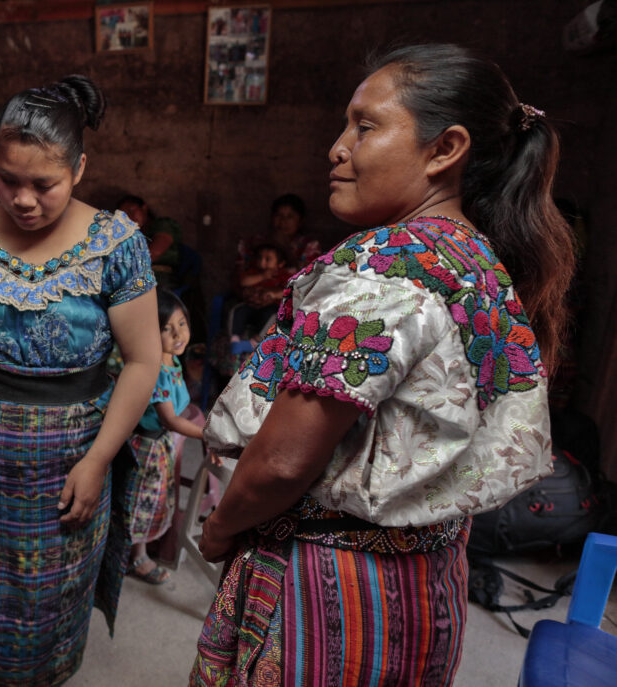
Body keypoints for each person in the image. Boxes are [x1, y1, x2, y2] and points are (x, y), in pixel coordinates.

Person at [190, 43, 574, 685]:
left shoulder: (382, 268)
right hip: (424, 575)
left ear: (445, 149)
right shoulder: (474, 259)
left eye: (365, 126)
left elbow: (284, 462)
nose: (337, 147)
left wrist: (222, 525)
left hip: (326, 583)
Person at [0, 75, 161, 686]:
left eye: (43, 184)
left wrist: (99, 460)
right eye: (8, 179)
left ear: (79, 168)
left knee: (49, 600)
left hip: (73, 457)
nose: (23, 198)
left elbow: (142, 361)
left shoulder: (117, 245)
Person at [125, 289, 206, 585]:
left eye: (181, 323)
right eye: (166, 328)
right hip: (148, 445)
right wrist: (207, 434)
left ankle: (139, 548)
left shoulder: (172, 359)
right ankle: (138, 556)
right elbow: (170, 420)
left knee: (156, 500)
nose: (178, 334)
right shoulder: (157, 369)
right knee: (142, 502)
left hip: (160, 444)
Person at [118, 194, 183, 291]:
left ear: (144, 208)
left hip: (162, 279)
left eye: (132, 210)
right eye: (125, 216)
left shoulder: (162, 224)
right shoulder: (131, 236)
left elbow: (155, 252)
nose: (130, 217)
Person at [230, 242, 293, 339]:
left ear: (280, 264)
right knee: (238, 312)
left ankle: (257, 341)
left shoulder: (283, 275)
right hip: (250, 306)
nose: (262, 262)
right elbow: (244, 282)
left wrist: (274, 294)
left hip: (270, 307)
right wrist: (262, 276)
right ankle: (235, 340)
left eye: (268, 259)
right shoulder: (253, 271)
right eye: (260, 258)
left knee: (273, 316)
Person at [268, 192, 322, 269]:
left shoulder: (310, 246)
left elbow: (309, 275)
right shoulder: (260, 241)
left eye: (290, 217)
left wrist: (285, 248)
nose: (283, 221)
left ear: (300, 221)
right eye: (278, 215)